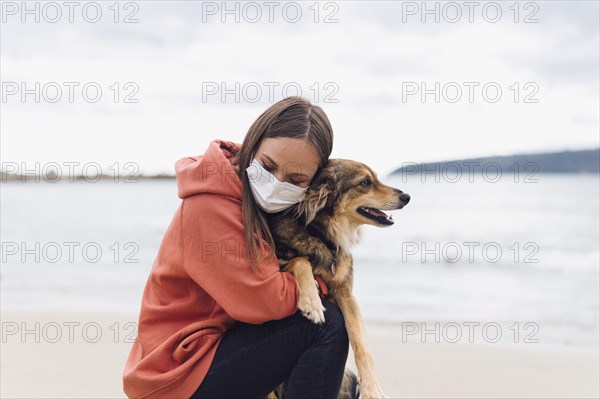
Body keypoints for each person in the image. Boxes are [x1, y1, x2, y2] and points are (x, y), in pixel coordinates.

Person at [122, 96, 360, 399]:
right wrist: (323, 282)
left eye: (296, 178)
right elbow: (263, 301)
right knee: (322, 325)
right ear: (253, 144)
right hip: (174, 373)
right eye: (268, 166)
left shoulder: (266, 205)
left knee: (339, 374)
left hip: (208, 351)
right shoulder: (209, 204)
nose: (276, 183)